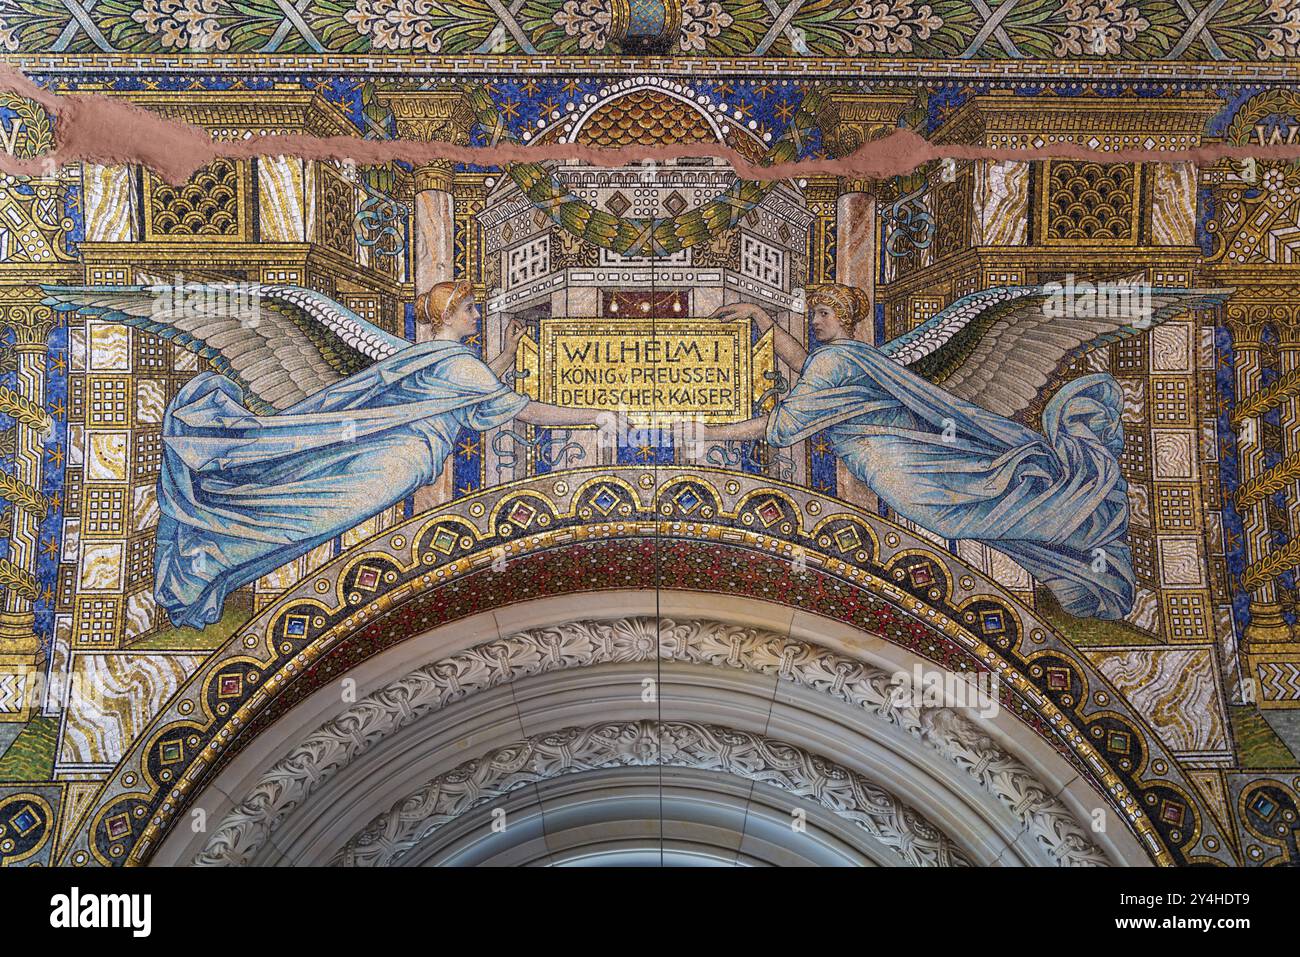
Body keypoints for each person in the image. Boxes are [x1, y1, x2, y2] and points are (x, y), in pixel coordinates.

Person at [156, 279, 602, 628]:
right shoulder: (458, 366)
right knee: (305, 516)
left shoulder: (433, 359)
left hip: (395, 456)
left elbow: (482, 392)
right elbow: (523, 409)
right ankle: (204, 562)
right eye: (469, 308)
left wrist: (506, 353)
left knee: (300, 513)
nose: (476, 314)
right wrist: (597, 416)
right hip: (395, 462)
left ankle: (206, 559)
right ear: (450, 315)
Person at [695, 285, 1135, 620]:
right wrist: (757, 316)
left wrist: (706, 431)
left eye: (822, 313)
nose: (814, 320)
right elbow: (805, 364)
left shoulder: (838, 361)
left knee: (965, 513)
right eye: (812, 313)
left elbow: (784, 427)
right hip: (900, 462)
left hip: (902, 469)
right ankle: (1075, 545)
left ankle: (1074, 542)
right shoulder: (849, 358)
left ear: (843, 318)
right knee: (986, 508)